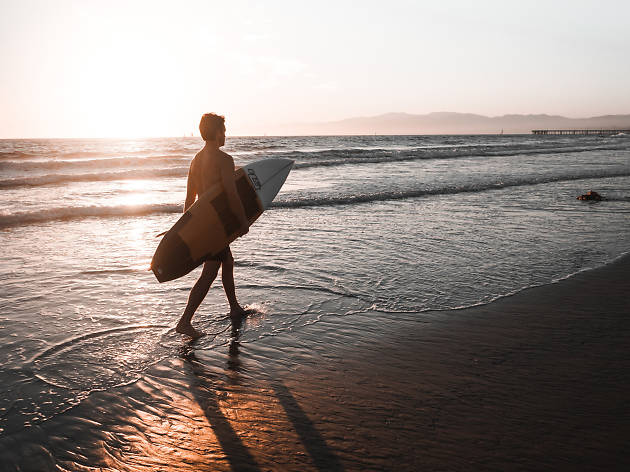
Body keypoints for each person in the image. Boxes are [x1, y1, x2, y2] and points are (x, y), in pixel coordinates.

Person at [175, 113, 249, 338]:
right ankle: (185, 322)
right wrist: (242, 221)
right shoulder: (224, 160)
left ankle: (234, 307)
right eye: (224, 130)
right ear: (217, 132)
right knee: (209, 272)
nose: (225, 134)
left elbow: (189, 201)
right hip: (217, 225)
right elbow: (232, 195)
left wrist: (186, 229)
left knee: (227, 261)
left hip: (203, 223)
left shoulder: (195, 160)